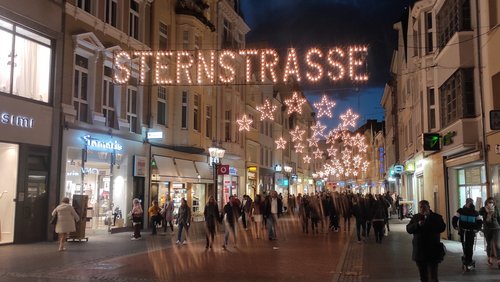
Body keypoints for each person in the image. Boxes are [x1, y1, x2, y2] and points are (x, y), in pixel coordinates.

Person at [406, 200, 446, 282]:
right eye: (420, 207)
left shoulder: (436, 217)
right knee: (423, 277)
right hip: (420, 252)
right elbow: (409, 229)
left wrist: (429, 219)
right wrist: (417, 224)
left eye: (424, 207)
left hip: (433, 251)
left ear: (429, 207)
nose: (422, 209)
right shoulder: (415, 217)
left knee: (433, 277)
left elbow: (442, 227)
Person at [452, 198, 482, 270]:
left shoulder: (475, 212)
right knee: (464, 245)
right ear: (466, 203)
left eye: (471, 202)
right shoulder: (460, 211)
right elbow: (454, 218)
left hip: (471, 231)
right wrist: (456, 227)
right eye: (469, 202)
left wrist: (477, 229)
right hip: (463, 231)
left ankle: (469, 259)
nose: (471, 204)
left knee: (470, 246)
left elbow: (480, 221)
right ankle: (466, 258)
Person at [478, 197, 500, 267]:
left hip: (496, 228)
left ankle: (499, 260)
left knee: (497, 244)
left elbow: (499, 218)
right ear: (486, 202)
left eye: (492, 202)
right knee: (489, 244)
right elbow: (479, 213)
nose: (491, 203)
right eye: (489, 202)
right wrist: (486, 211)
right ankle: (489, 258)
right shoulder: (483, 209)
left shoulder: (496, 208)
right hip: (487, 228)